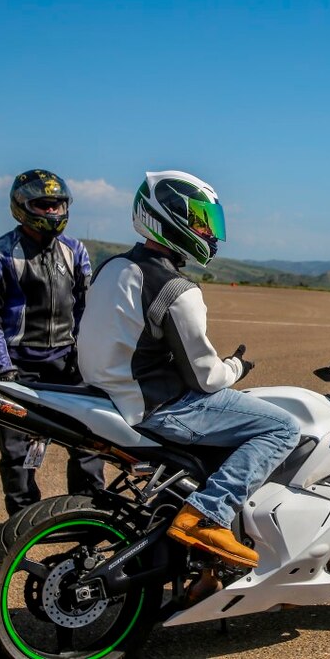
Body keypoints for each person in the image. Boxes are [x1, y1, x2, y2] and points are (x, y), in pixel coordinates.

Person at [77, 170, 300, 569]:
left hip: (103, 393)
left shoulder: (111, 267)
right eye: (200, 221)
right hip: (154, 405)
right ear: (168, 217)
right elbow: (206, 377)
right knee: (283, 427)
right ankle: (207, 515)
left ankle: (204, 569)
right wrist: (236, 366)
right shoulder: (178, 290)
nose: (208, 232)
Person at [0, 168, 105, 516]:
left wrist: (89, 359)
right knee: (17, 453)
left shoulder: (75, 251)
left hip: (68, 366)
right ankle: (22, 522)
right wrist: (4, 368)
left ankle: (88, 514)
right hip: (17, 368)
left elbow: (87, 310)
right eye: (43, 205)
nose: (52, 212)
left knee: (90, 443)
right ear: (21, 206)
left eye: (58, 205)